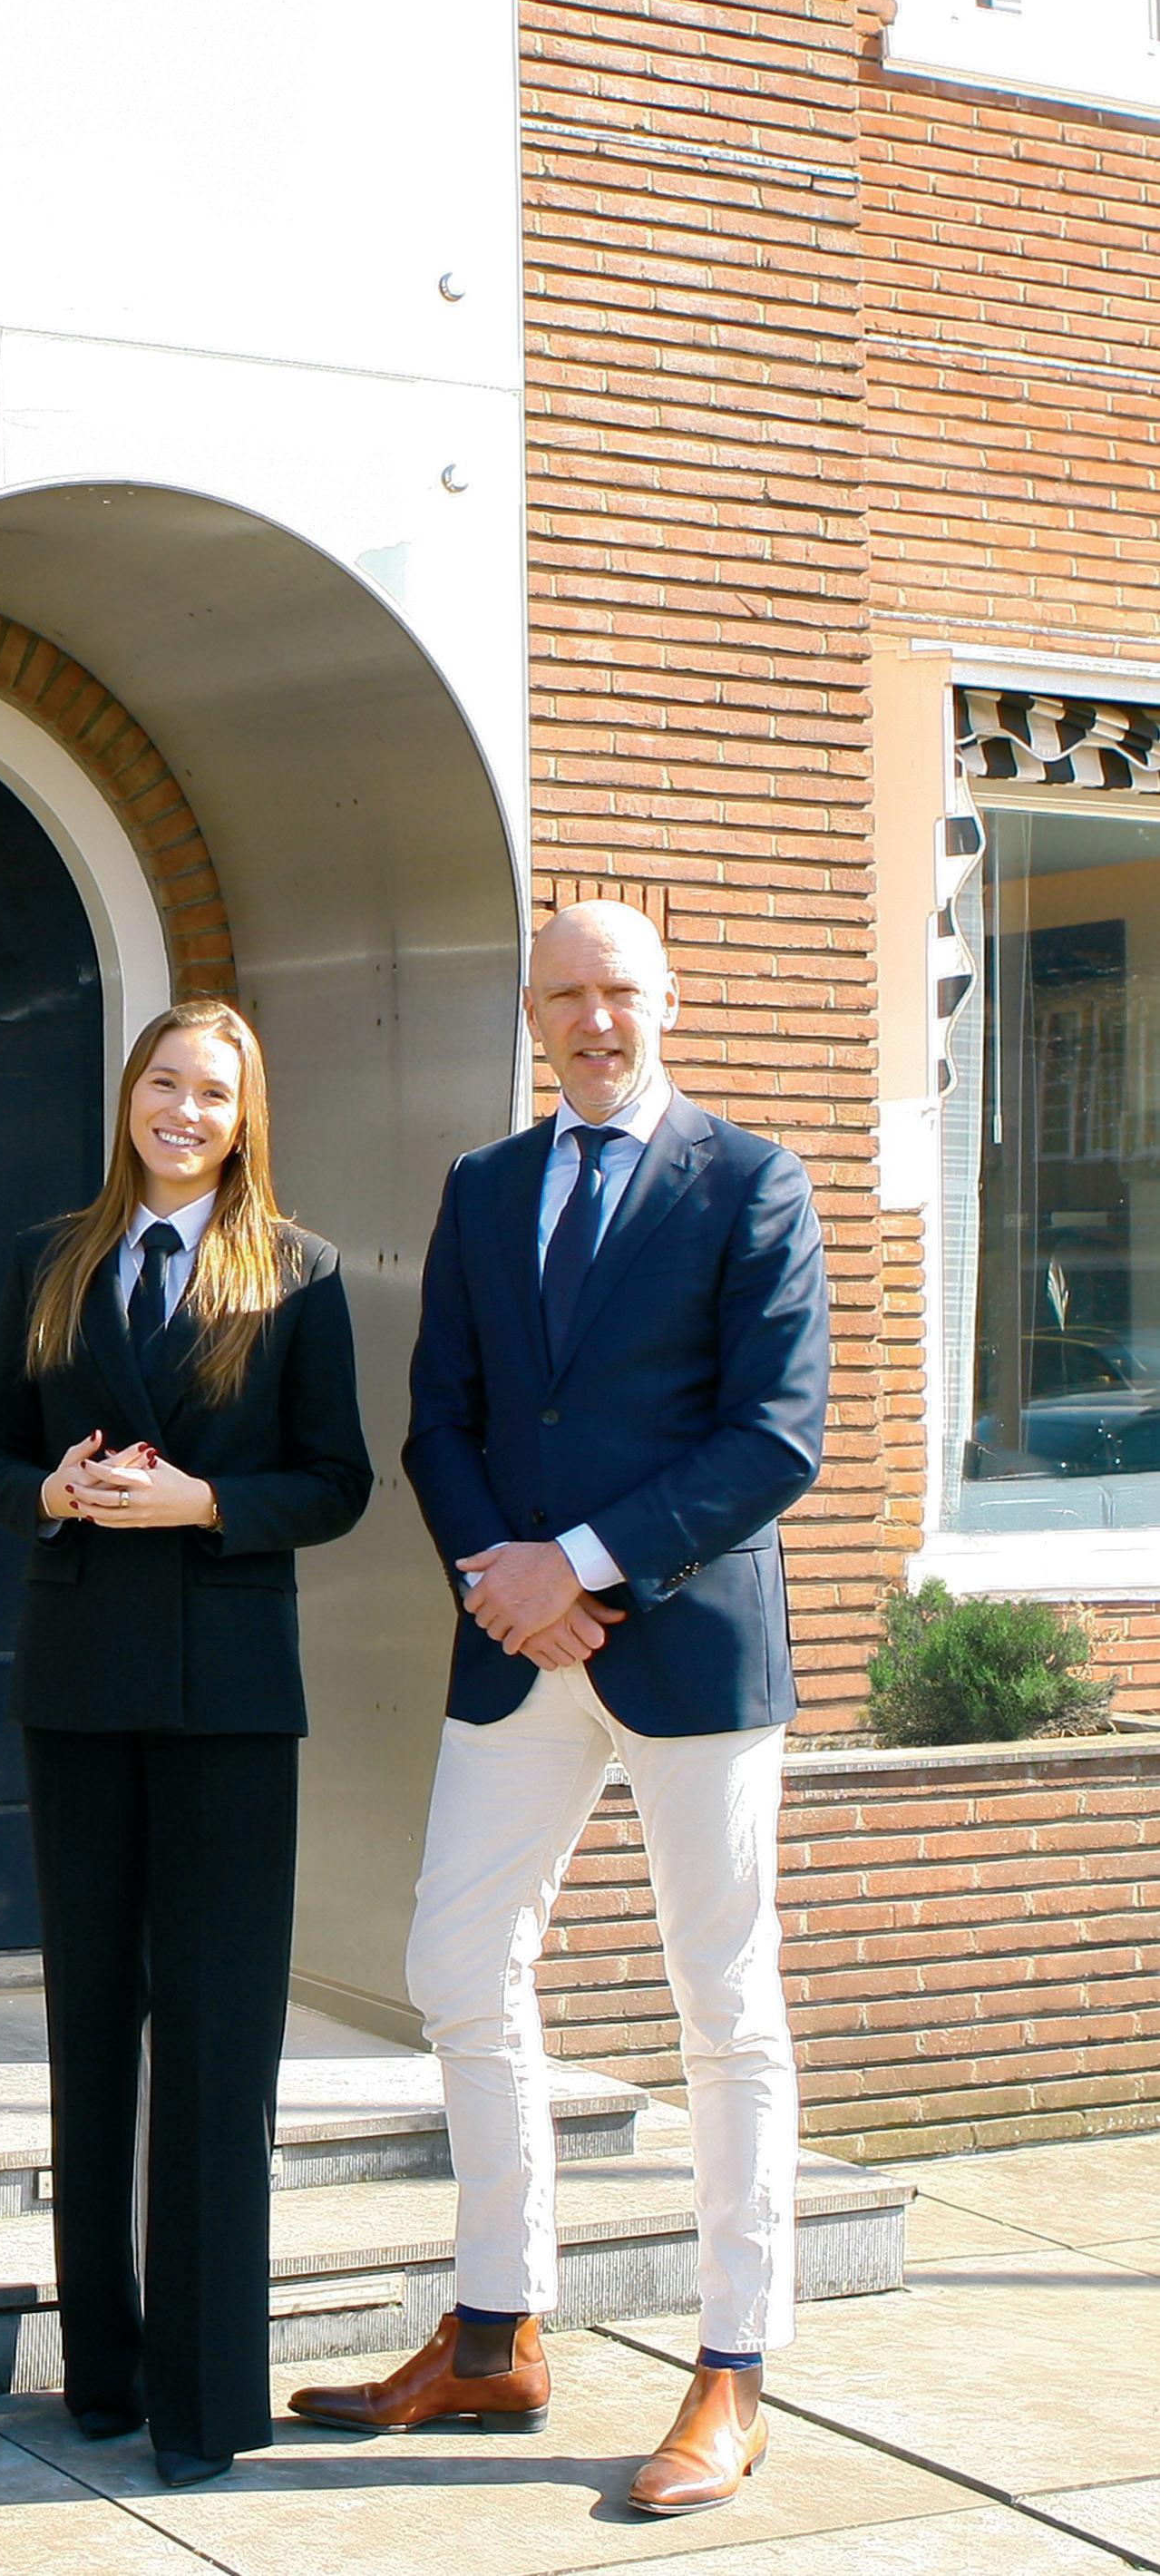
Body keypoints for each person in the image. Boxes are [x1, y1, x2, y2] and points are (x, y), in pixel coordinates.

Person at [288, 902, 830, 2519]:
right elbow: (439, 1417)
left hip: (688, 1648)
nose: (594, 1019)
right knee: (456, 1963)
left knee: (722, 2000)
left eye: (618, 991)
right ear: (531, 1014)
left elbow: (775, 1436)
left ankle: (733, 2363)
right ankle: (495, 2328)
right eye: (565, 996)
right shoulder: (484, 1184)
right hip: (516, 1645)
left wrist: (578, 1565)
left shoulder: (751, 1181)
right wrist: (500, 1580)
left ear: (668, 1000)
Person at [0, 997, 373, 2488]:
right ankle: (103, 2369)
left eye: (212, 1089)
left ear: (245, 1113)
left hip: (230, 1698)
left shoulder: (300, 1272)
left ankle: (205, 2400)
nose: (182, 1110)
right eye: (163, 1081)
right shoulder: (50, 1261)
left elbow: (337, 1480)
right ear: (128, 1092)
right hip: (76, 1684)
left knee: (217, 2041)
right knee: (92, 2026)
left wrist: (207, 1504)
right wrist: (50, 1491)